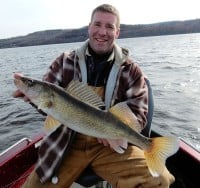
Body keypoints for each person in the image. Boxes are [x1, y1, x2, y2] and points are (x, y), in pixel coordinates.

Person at [13, 4, 175, 188]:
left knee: (159, 179)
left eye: (109, 27)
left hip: (108, 147)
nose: (102, 32)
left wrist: (112, 132)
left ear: (117, 32)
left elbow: (139, 115)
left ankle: (150, 148)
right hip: (66, 143)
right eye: (97, 24)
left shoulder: (132, 71)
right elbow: (48, 107)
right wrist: (31, 97)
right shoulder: (64, 61)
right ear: (89, 27)